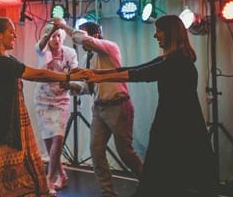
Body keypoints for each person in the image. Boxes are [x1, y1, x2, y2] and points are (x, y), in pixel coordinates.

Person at [84, 15, 216, 196]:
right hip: (170, 125)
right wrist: (94, 73)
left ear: (169, 34)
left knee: (169, 179)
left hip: (181, 128)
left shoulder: (178, 63)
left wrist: (98, 77)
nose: (156, 36)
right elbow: (132, 69)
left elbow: (137, 74)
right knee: (163, 179)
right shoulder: (167, 59)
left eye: (158, 32)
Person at [0, 17, 88, 197]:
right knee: (8, 179)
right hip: (6, 124)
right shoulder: (1, 62)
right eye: (11, 31)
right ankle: (51, 179)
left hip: (12, 120)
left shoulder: (3, 59)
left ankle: (54, 177)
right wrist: (67, 77)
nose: (15, 35)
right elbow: (37, 73)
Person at [53, 17, 144, 196]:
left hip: (118, 106)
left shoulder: (110, 48)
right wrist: (70, 85)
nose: (79, 41)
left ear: (96, 35)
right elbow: (89, 88)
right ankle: (108, 193)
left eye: (85, 35)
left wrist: (64, 26)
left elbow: (84, 39)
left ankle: (150, 184)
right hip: (99, 109)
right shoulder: (90, 58)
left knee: (125, 153)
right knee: (96, 152)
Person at [34, 22, 79, 190]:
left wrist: (73, 82)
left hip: (61, 99)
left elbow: (74, 72)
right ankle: (62, 175)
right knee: (49, 142)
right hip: (43, 99)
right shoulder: (42, 50)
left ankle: (50, 179)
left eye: (59, 35)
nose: (56, 38)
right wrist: (53, 27)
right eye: (53, 35)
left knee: (58, 139)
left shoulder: (70, 52)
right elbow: (40, 45)